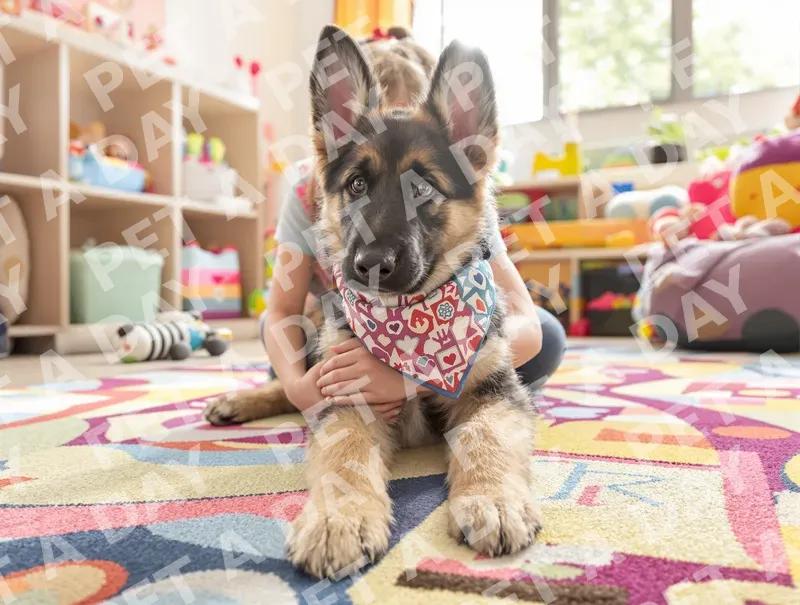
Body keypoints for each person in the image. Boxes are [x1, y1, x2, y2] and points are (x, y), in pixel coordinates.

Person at [264, 29, 566, 421]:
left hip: (449, 330)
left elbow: (525, 322)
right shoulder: (308, 188)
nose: (394, 131)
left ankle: (416, 399)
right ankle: (285, 392)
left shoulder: (466, 192)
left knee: (547, 337)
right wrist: (298, 389)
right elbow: (280, 311)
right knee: (292, 339)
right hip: (351, 332)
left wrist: (407, 382)